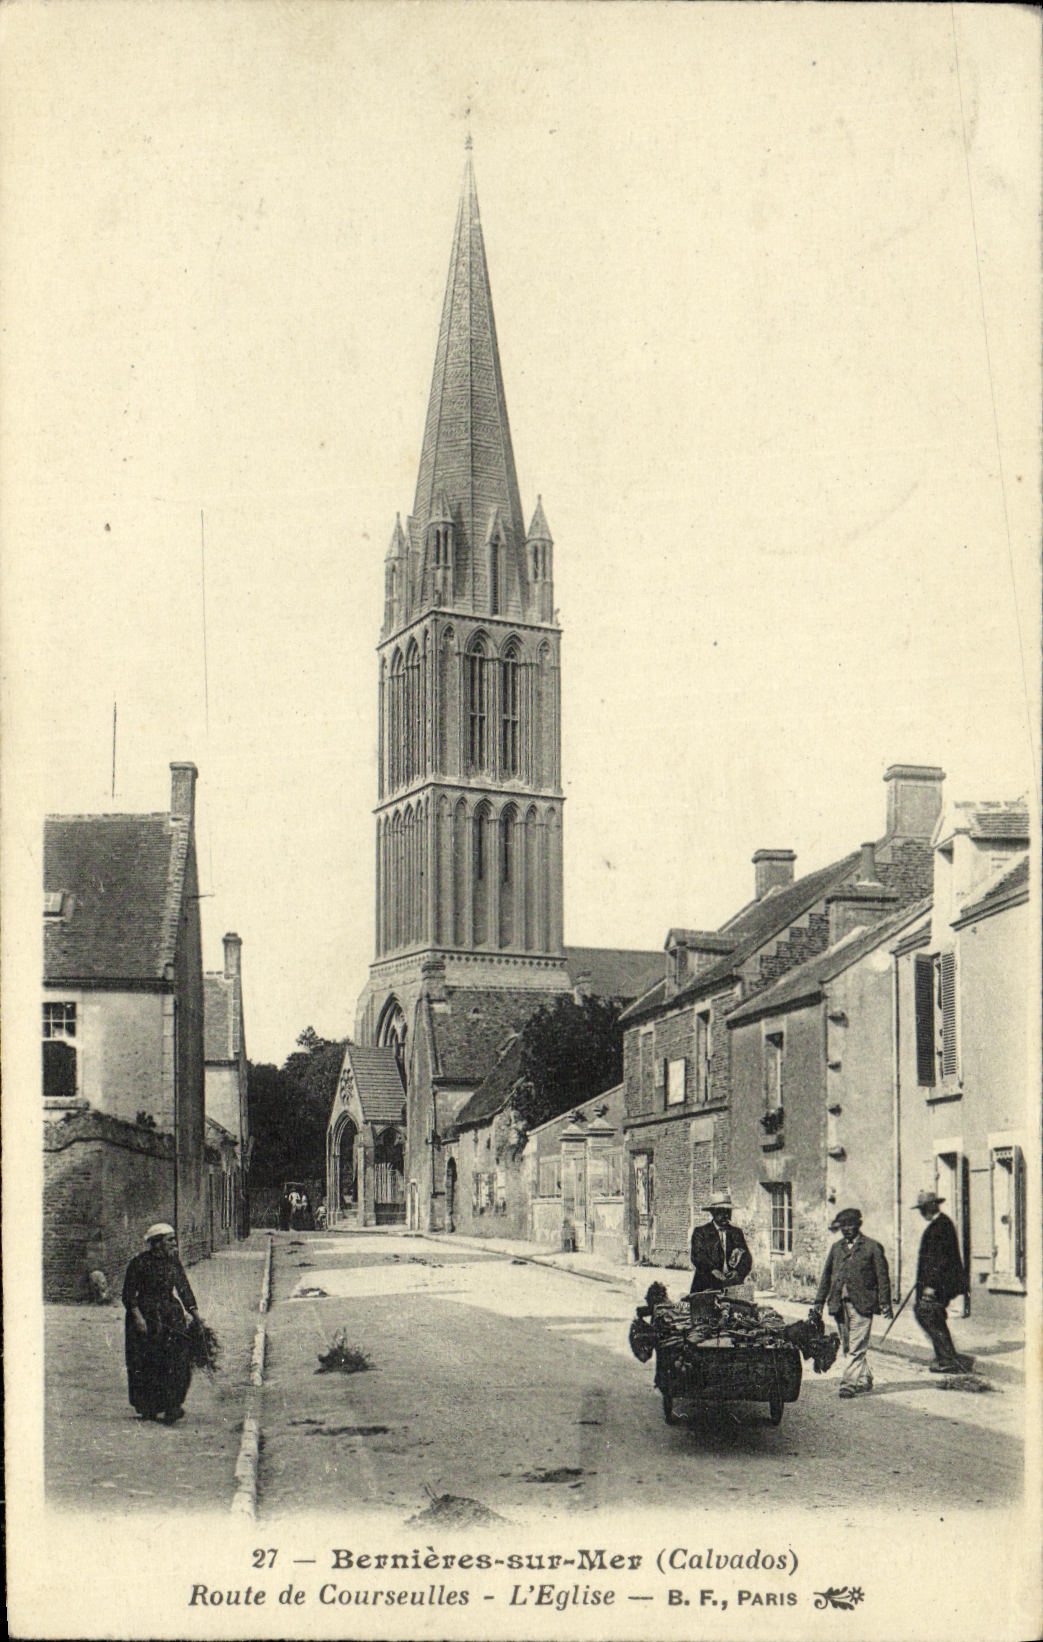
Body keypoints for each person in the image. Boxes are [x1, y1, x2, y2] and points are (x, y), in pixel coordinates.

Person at [121, 1223, 202, 1424]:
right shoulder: (139, 1263)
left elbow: (184, 1288)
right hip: (146, 1315)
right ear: (157, 1243)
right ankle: (148, 1406)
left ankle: (172, 1405)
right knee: (148, 1361)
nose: (175, 1243)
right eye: (170, 1240)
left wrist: (195, 1314)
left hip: (170, 1314)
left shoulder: (173, 1263)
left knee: (177, 1360)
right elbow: (129, 1294)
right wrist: (138, 1318)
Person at [810, 1208, 892, 1399]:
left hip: (863, 1304)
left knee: (856, 1346)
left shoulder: (872, 1247)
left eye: (850, 1225)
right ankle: (865, 1377)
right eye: (843, 1226)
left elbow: (882, 1277)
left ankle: (848, 1384)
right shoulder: (836, 1248)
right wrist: (819, 1301)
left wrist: (885, 1303)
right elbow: (826, 1276)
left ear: (858, 1225)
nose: (846, 1229)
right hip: (839, 1304)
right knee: (848, 1345)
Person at [911, 1189, 973, 1374]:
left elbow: (941, 1260)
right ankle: (945, 1357)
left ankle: (948, 1359)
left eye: (923, 1208)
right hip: (937, 1283)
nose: (922, 1212)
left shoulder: (941, 1226)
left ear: (932, 1206)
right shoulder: (939, 1224)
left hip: (939, 1284)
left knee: (928, 1314)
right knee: (932, 1316)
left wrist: (931, 1286)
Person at [688, 1195, 753, 1294]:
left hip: (731, 1285)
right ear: (713, 1213)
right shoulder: (701, 1232)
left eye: (728, 1212)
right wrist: (713, 1270)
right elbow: (697, 1256)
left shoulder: (736, 1233)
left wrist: (737, 1272)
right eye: (721, 1212)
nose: (725, 1215)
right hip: (706, 1284)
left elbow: (746, 1258)